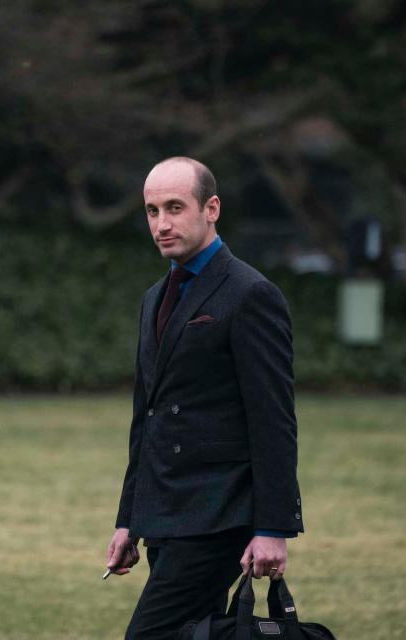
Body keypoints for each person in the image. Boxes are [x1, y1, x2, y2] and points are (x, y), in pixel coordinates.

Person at [104, 157, 304, 639]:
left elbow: (273, 420)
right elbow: (146, 418)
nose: (162, 224)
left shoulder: (251, 293)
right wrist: (130, 518)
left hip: (218, 516)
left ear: (211, 208)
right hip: (167, 513)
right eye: (152, 211)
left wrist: (274, 527)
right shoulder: (155, 296)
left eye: (175, 207)